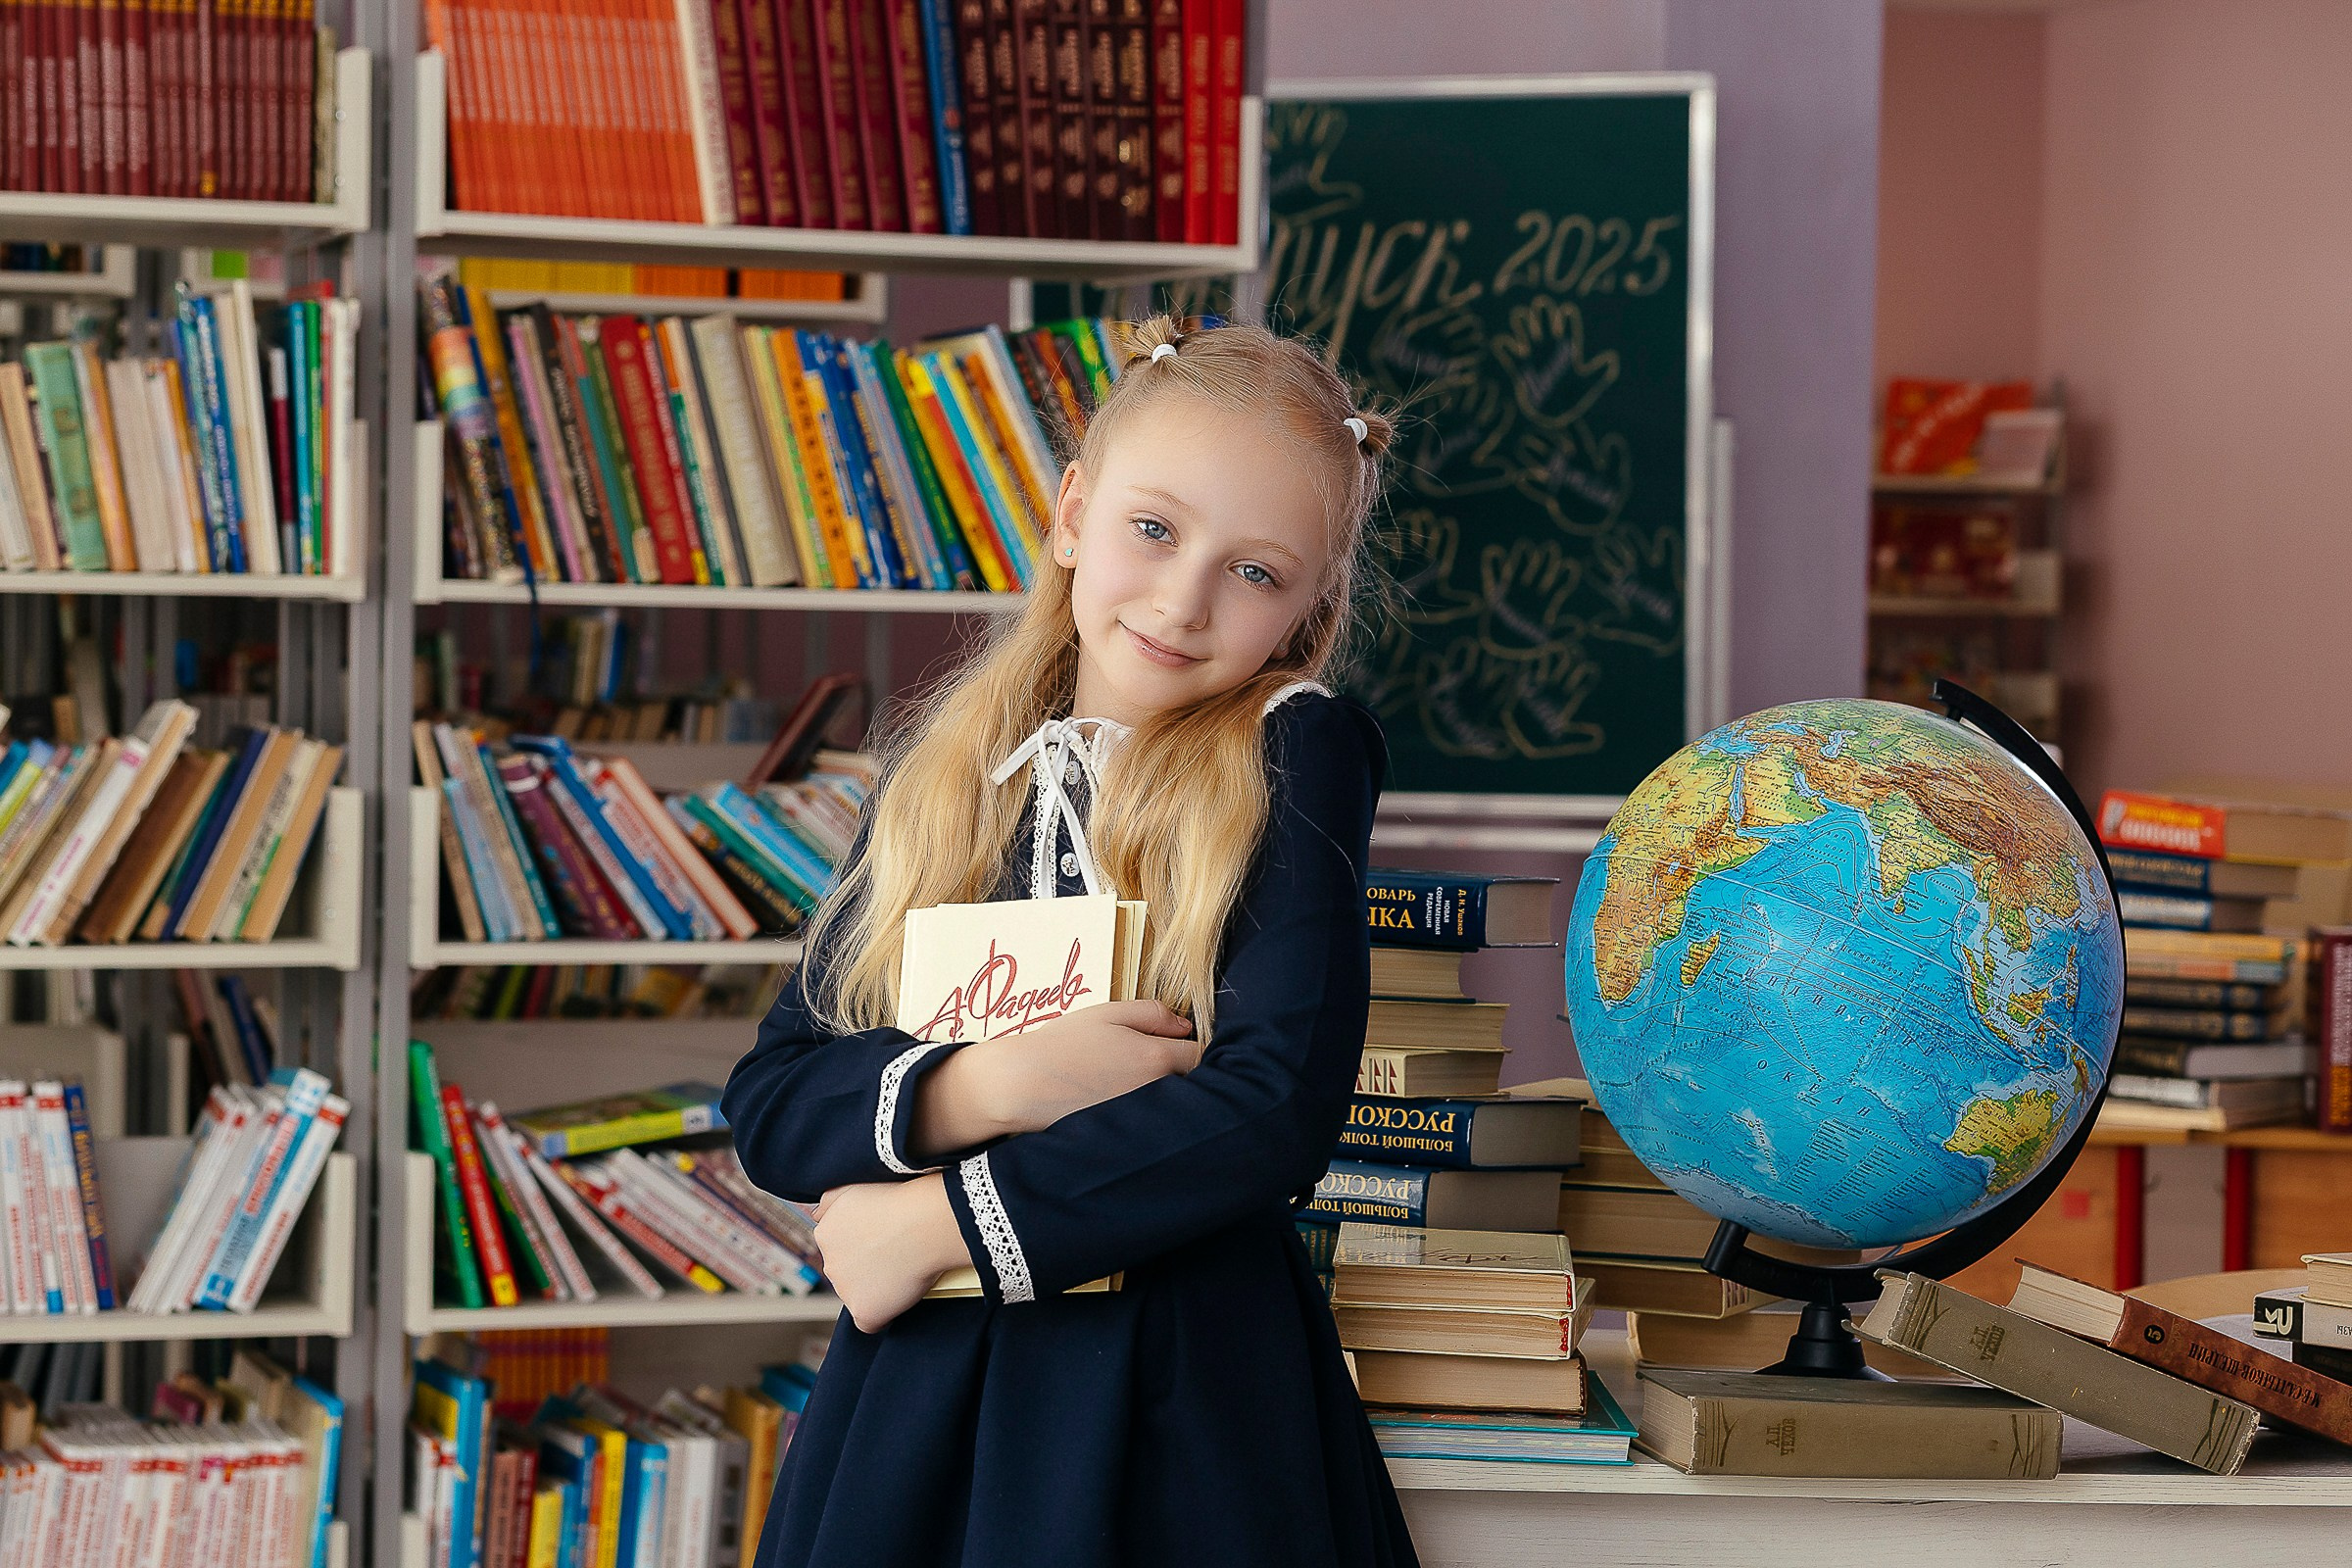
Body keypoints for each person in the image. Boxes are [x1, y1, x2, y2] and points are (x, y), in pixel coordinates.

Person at [722, 316, 1419, 1568]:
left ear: (1309, 616)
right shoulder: (944, 776)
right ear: (1070, 514)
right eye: (1153, 530)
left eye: (1255, 572)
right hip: (919, 1399)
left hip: (1174, 1398)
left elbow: (1274, 1109)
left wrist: (933, 1227)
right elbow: (775, 1101)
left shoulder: (1296, 749)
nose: (1182, 597)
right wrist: (991, 1081)